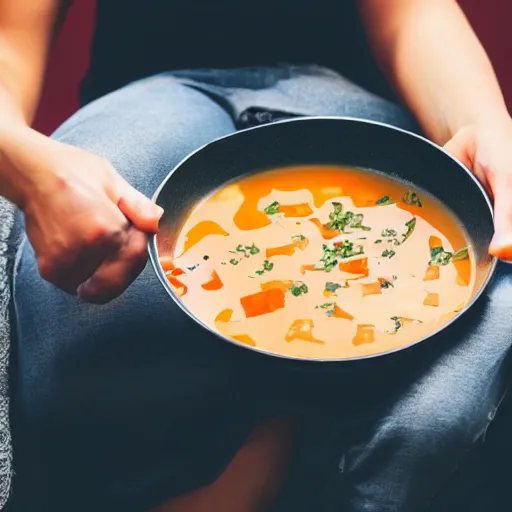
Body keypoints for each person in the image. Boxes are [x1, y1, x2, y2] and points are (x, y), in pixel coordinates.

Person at [1, 0, 512, 510]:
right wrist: (25, 162)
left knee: (451, 393)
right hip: (149, 99)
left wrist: (487, 124)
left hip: (343, 113)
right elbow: (9, 36)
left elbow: (413, 15)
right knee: (80, 332)